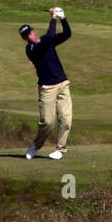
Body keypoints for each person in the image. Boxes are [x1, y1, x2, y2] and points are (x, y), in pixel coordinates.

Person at [20, 8, 72, 160]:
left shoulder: (45, 41)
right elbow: (50, 35)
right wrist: (53, 18)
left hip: (62, 83)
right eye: (25, 36)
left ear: (33, 31)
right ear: (25, 39)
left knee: (66, 119)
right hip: (47, 88)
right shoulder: (31, 49)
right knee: (48, 122)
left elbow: (67, 34)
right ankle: (36, 145)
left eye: (29, 33)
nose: (29, 36)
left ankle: (60, 149)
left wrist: (63, 18)